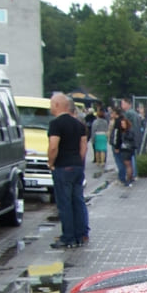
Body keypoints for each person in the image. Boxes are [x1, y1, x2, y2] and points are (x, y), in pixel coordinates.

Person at [46, 92, 89, 249]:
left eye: (51, 104)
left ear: (57, 105)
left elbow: (53, 146)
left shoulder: (56, 124)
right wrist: (79, 161)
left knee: (64, 203)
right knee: (77, 200)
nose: (50, 107)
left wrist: (51, 162)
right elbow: (83, 146)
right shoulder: (79, 125)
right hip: (77, 166)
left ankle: (68, 237)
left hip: (63, 166)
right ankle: (81, 234)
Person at [111, 108, 137, 186]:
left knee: (123, 164)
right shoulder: (130, 129)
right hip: (130, 149)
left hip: (124, 149)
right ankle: (130, 178)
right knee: (129, 164)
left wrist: (116, 146)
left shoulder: (119, 125)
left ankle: (124, 179)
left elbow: (117, 136)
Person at [89, 105, 108, 172]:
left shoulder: (95, 122)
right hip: (103, 135)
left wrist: (92, 138)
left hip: (97, 135)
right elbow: (107, 129)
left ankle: (98, 161)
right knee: (103, 149)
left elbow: (93, 130)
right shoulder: (105, 122)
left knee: (97, 150)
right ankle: (103, 162)